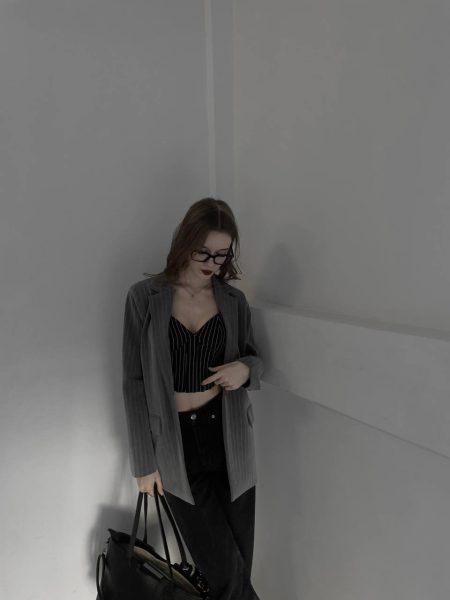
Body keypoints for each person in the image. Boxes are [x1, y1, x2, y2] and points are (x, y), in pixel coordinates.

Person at [122, 197, 264, 599]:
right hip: (176, 446)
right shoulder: (144, 298)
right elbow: (133, 381)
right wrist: (143, 462)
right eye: (204, 251)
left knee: (237, 570)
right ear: (185, 241)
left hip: (230, 442)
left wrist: (245, 370)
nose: (212, 262)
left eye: (222, 255)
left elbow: (254, 358)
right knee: (228, 578)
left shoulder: (233, 301)